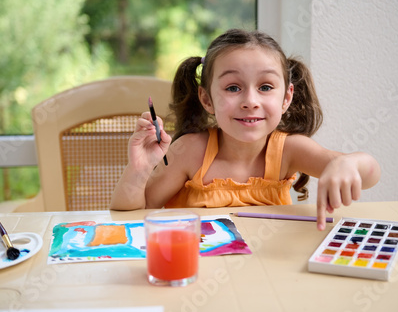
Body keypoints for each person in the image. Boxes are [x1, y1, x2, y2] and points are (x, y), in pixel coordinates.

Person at [110, 29, 380, 230]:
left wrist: (345, 164)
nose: (250, 101)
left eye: (265, 87)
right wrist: (139, 169)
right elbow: (131, 216)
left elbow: (370, 174)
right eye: (233, 88)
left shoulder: (289, 150)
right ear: (207, 99)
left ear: (286, 98)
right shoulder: (191, 151)